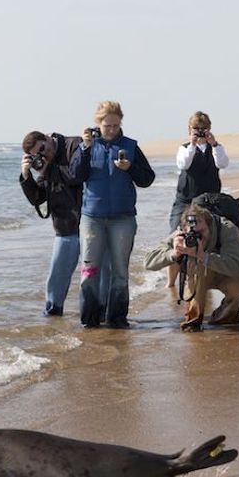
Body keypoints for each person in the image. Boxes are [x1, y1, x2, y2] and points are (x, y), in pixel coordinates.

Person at [68, 101, 156, 328]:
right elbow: (75, 176)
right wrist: (85, 149)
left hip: (123, 218)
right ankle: (89, 320)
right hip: (92, 218)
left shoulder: (130, 146)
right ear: (98, 123)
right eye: (107, 125)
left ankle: (117, 319)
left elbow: (147, 179)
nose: (112, 130)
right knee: (89, 270)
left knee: (119, 271)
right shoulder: (87, 146)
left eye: (116, 125)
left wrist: (130, 168)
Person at [145, 203, 239, 331]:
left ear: (210, 226)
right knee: (192, 320)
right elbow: (149, 262)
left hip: (226, 274)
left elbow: (234, 266)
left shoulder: (227, 229)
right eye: (193, 234)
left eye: (201, 232)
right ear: (185, 229)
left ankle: (227, 314)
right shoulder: (182, 234)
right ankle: (194, 319)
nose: (197, 238)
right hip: (199, 275)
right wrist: (174, 253)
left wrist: (203, 256)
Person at [20, 131, 85, 316]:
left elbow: (77, 174)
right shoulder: (45, 165)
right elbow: (38, 198)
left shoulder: (74, 145)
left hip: (90, 223)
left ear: (48, 138)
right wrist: (26, 176)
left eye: (42, 148)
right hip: (65, 227)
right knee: (55, 278)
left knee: (92, 276)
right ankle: (52, 319)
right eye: (37, 154)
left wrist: (47, 169)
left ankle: (94, 318)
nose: (43, 154)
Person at [167, 111, 229, 287]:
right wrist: (193, 144)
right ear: (189, 129)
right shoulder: (184, 148)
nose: (200, 131)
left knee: (207, 239)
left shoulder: (216, 148)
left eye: (204, 129)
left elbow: (222, 163)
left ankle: (203, 278)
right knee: (176, 237)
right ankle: (170, 282)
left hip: (208, 201)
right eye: (196, 128)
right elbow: (183, 164)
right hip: (185, 200)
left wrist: (214, 144)